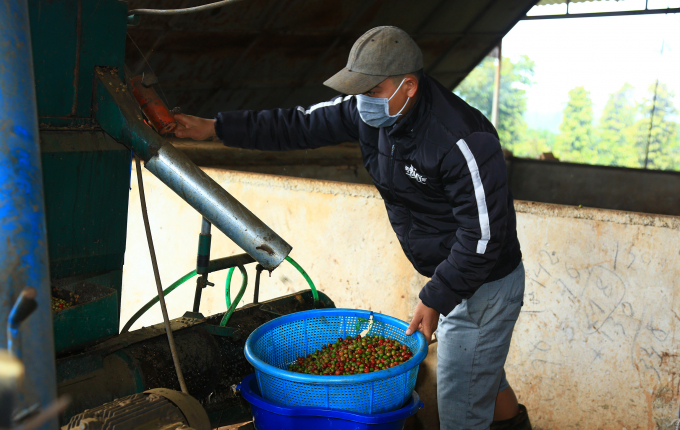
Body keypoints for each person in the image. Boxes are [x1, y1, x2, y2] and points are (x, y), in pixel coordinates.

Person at [174, 26, 531, 430]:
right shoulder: (370, 112)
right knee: (481, 376)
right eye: (356, 89)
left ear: (408, 86)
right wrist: (213, 127)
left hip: (485, 286)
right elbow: (296, 125)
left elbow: (483, 239)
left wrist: (435, 297)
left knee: (460, 410)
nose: (361, 101)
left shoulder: (463, 139)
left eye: (372, 90)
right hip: (450, 276)